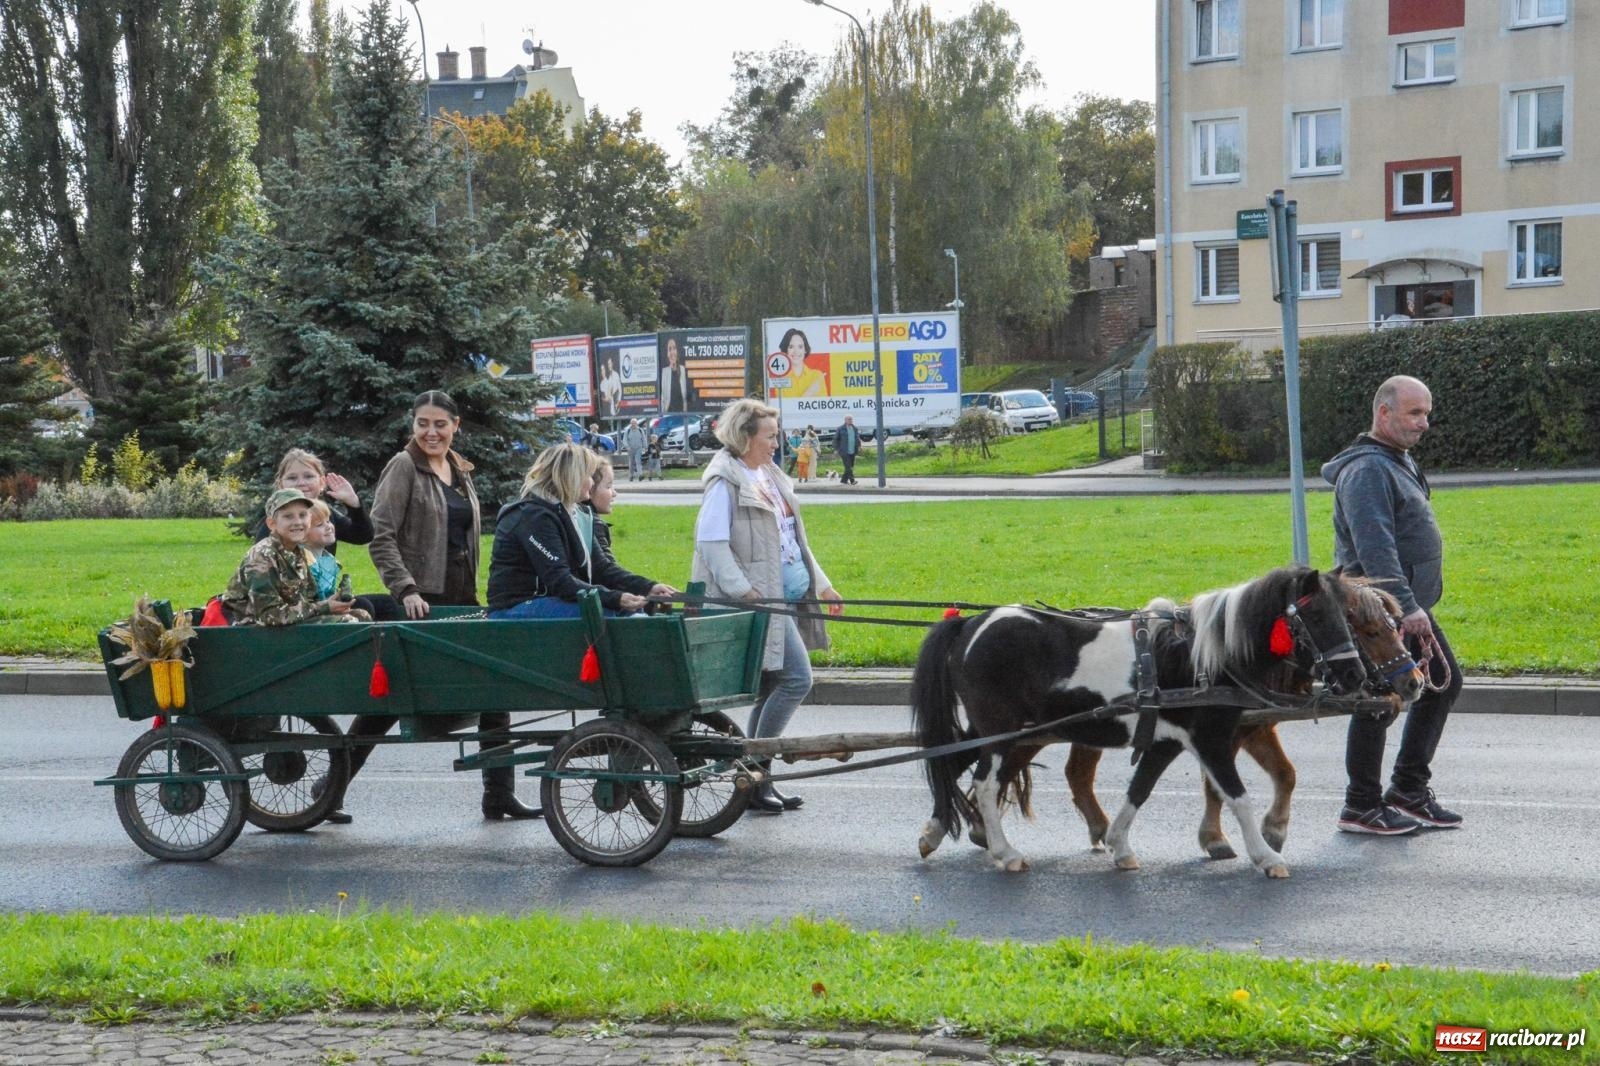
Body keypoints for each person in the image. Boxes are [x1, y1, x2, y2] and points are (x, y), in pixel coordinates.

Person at [362, 389, 538, 821]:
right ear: (413, 424)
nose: (431, 432)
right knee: (389, 708)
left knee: (495, 690)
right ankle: (332, 785)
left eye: (440, 424)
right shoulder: (403, 467)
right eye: (423, 423)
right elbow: (380, 536)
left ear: (456, 426)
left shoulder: (459, 470)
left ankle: (498, 794)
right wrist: (405, 589)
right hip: (421, 601)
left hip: (462, 596)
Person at [1322, 375, 1464, 836]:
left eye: (1427, 413)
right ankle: (1361, 805)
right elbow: (1375, 546)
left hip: (1399, 605)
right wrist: (1406, 605)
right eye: (1414, 413)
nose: (1425, 423)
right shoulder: (1367, 471)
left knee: (1438, 685)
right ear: (1384, 414)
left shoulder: (1393, 460)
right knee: (1379, 701)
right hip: (1377, 610)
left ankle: (1407, 789)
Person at [691, 398, 844, 814]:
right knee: (796, 679)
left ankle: (754, 779)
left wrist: (824, 586)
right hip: (760, 602)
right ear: (745, 437)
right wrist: (744, 591)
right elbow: (711, 544)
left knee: (777, 684)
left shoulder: (771, 476)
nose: (779, 442)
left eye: (777, 435)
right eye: (771, 436)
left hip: (785, 596)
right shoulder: (726, 481)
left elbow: (794, 543)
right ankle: (758, 774)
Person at [487, 443, 674, 619]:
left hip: (548, 601)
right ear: (572, 477)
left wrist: (647, 587)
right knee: (606, 614)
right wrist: (615, 598)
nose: (592, 483)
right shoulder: (533, 517)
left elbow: (602, 568)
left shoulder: (575, 513)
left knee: (625, 610)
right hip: (517, 606)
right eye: (589, 476)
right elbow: (560, 581)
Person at [221, 490, 368, 627]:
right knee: (348, 623)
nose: (297, 522)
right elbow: (270, 615)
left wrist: (331, 604)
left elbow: (310, 598)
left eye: (303, 515)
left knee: (362, 616)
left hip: (287, 623)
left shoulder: (299, 552)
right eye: (288, 516)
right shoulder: (262, 557)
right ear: (272, 524)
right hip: (255, 629)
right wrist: (323, 607)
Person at [248, 448, 374, 548]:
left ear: (322, 483)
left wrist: (354, 504)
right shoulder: (278, 519)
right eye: (292, 478)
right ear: (281, 485)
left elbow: (363, 536)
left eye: (308, 476)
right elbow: (259, 562)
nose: (301, 483)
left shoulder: (327, 516)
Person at [776, 329, 827, 397]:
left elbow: (823, 406)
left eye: (800, 347)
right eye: (791, 347)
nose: (796, 351)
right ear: (786, 350)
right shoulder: (781, 380)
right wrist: (810, 392)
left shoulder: (817, 376)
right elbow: (783, 407)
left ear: (805, 350)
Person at [833, 416, 862, 485]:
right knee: (848, 466)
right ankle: (852, 481)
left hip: (852, 450)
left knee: (850, 466)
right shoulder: (840, 429)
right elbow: (835, 439)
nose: (851, 420)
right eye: (849, 419)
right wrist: (836, 449)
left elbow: (857, 438)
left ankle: (844, 480)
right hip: (844, 451)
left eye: (851, 419)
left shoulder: (855, 428)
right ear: (845, 420)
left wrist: (859, 446)